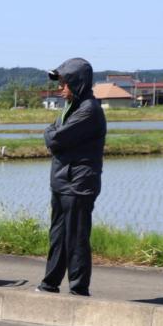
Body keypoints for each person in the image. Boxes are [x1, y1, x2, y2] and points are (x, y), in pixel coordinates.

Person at [37, 57, 107, 297]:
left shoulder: (88, 110)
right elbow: (52, 134)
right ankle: (50, 283)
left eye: (64, 83)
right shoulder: (71, 107)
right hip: (62, 180)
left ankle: (78, 289)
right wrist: (51, 133)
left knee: (76, 236)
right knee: (57, 234)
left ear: (77, 83)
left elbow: (54, 139)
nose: (60, 88)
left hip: (79, 183)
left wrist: (51, 133)